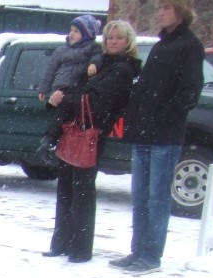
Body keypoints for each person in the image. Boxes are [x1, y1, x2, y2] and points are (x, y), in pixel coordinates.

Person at [111, 0, 203, 276]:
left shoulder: (189, 45)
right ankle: (138, 250)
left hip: (165, 135)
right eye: (159, 8)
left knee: (157, 198)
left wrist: (163, 117)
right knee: (139, 197)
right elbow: (145, 89)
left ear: (180, 12)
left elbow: (189, 92)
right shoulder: (161, 45)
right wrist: (137, 118)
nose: (160, 13)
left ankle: (151, 255)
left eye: (166, 8)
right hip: (144, 133)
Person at [44, 21, 141, 263]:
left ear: (128, 41)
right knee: (66, 188)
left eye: (119, 38)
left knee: (83, 192)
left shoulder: (122, 70)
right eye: (110, 37)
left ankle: (80, 248)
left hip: (92, 135)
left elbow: (97, 105)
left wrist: (65, 100)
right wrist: (65, 97)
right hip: (75, 132)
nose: (114, 41)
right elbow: (80, 93)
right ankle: (62, 242)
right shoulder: (99, 64)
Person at [36, 15, 103, 160]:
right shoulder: (61, 50)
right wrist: (43, 89)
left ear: (87, 35)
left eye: (77, 31)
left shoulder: (92, 48)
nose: (71, 34)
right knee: (61, 116)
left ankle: (49, 141)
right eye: (71, 30)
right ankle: (49, 142)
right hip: (60, 89)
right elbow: (50, 70)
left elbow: (98, 56)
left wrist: (93, 65)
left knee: (62, 116)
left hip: (76, 89)